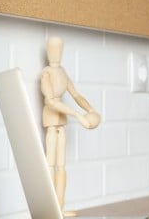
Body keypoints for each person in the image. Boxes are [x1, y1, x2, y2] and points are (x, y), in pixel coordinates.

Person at [41, 36, 100, 212]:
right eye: (53, 48)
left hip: (61, 120)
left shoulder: (62, 72)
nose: (56, 52)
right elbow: (51, 101)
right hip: (52, 118)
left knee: (61, 165)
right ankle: (51, 208)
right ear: (48, 50)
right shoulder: (46, 73)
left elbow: (76, 95)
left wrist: (90, 110)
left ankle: (59, 207)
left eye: (59, 49)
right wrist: (77, 115)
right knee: (50, 164)